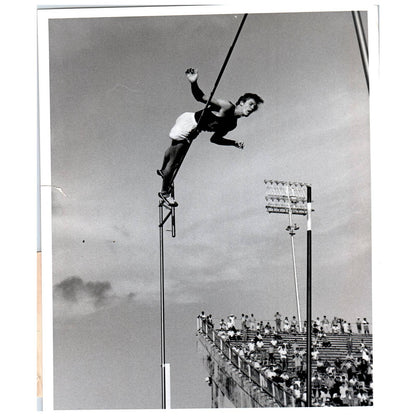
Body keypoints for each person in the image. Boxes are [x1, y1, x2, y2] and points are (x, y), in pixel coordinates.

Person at [157, 67, 264, 206]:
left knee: (173, 151)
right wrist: (193, 82)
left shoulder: (232, 124)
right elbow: (200, 97)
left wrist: (233, 143)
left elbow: (215, 139)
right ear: (241, 102)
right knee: (175, 160)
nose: (251, 109)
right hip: (189, 124)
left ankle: (163, 170)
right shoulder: (226, 106)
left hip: (194, 128)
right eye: (250, 104)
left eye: (254, 108)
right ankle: (164, 192)